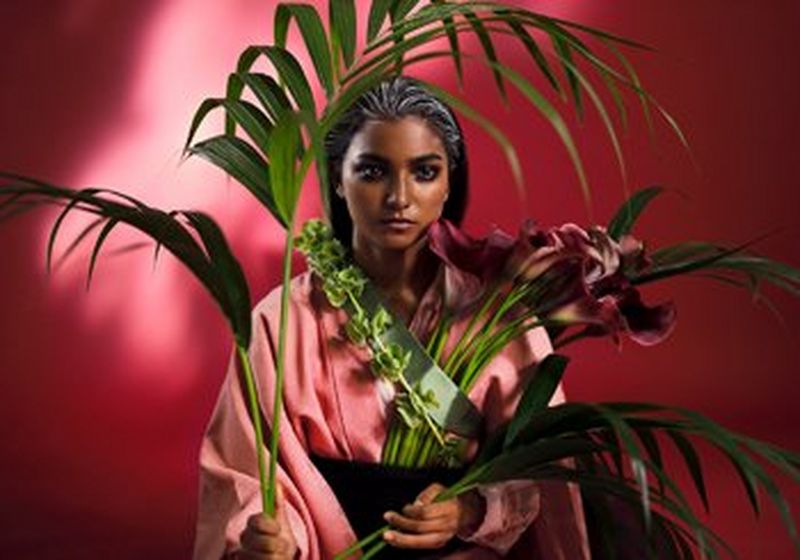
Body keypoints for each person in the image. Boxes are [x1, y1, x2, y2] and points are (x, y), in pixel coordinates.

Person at [193, 76, 590, 560]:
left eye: (424, 172)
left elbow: (542, 471)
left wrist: (469, 509)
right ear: (337, 178)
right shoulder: (282, 320)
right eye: (372, 171)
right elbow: (244, 469)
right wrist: (271, 535)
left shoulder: (499, 320)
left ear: (449, 183)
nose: (399, 197)